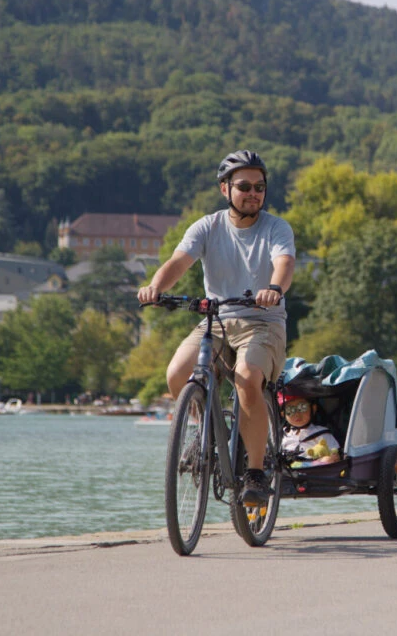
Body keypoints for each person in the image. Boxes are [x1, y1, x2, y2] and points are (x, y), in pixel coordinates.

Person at [137, 149, 295, 505]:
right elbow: (179, 261)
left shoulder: (276, 228)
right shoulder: (207, 227)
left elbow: (284, 263)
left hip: (263, 323)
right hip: (218, 321)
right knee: (178, 373)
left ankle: (255, 471)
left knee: (247, 376)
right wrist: (156, 288)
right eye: (244, 186)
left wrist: (274, 288)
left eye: (260, 186)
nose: (253, 193)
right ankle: (208, 435)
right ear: (225, 189)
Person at [279, 394, 341, 466]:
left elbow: (335, 457)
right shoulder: (282, 435)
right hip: (288, 473)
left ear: (313, 409)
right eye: (290, 410)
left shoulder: (322, 433)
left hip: (314, 472)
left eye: (302, 407)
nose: (297, 414)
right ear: (283, 414)